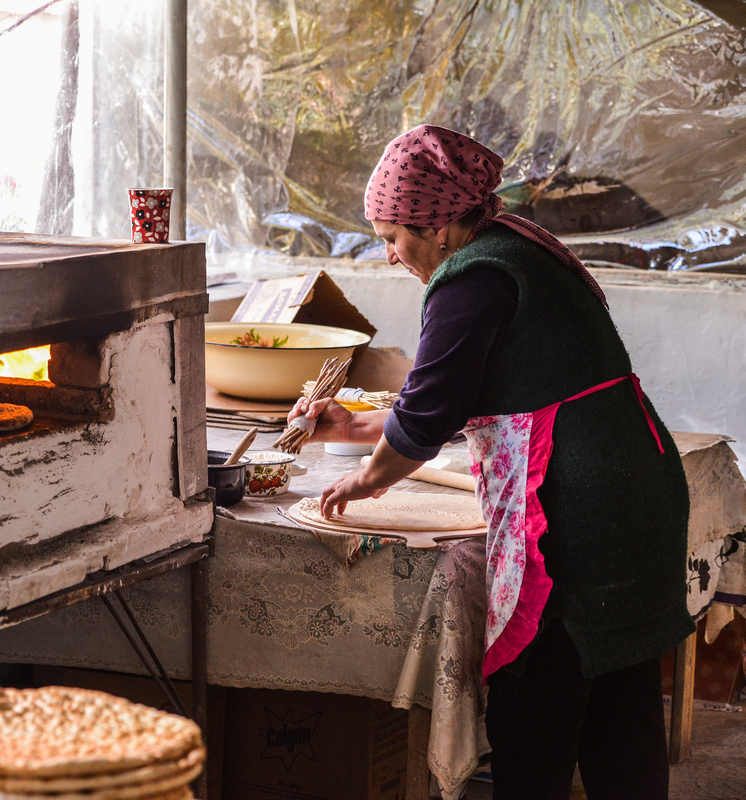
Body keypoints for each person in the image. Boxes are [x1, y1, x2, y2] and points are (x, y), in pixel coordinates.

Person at [289, 124, 694, 799]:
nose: (390, 254)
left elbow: (422, 421)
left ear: (440, 226)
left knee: (537, 719)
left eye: (393, 236)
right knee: (620, 714)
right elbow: (441, 403)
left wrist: (364, 480)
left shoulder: (471, 279)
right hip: (634, 490)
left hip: (577, 511)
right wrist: (352, 424)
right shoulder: (517, 248)